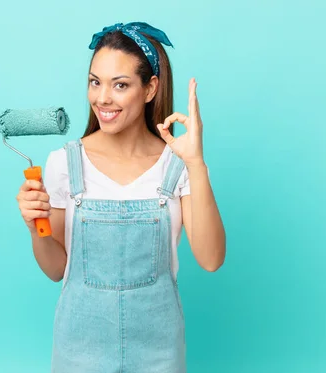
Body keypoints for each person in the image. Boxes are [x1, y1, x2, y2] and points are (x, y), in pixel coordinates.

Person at [16, 21, 226, 373]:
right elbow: (55, 269)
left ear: (150, 89)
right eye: (95, 82)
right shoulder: (64, 163)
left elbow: (211, 259)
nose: (102, 98)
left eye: (121, 85)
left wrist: (196, 164)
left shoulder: (176, 165)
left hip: (159, 352)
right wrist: (33, 222)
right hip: (78, 351)